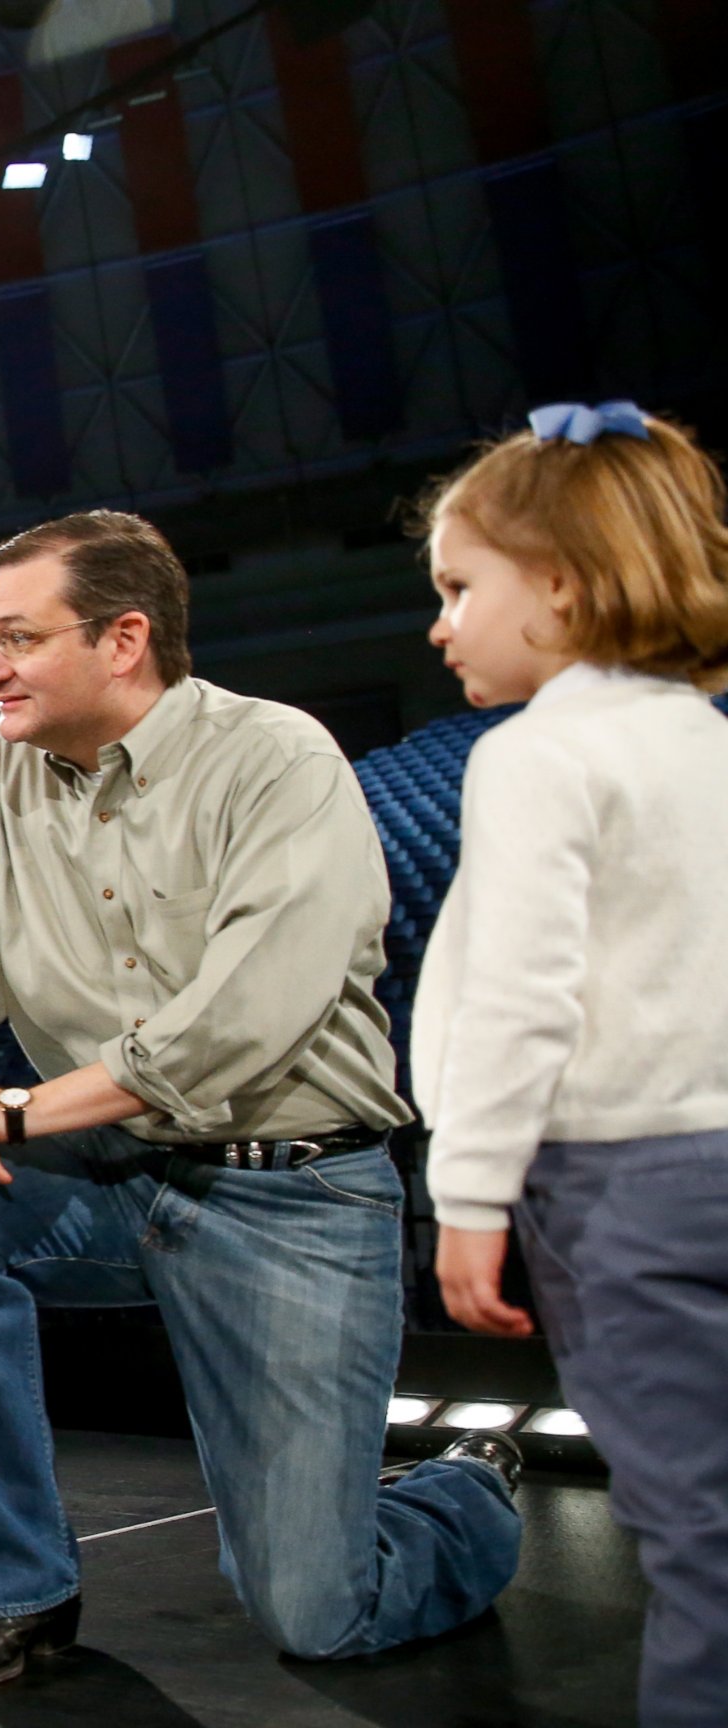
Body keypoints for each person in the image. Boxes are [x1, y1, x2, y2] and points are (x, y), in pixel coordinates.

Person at [0, 510, 523, 1686]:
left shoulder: (278, 758)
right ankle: (10, 1594)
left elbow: (239, 1025)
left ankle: (466, 1489)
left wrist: (1, 1109)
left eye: (15, 638)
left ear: (123, 640)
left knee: (321, 1614)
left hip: (293, 1191)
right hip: (114, 1179)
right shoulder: (3, 786)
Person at [410, 401, 728, 1728]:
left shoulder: (536, 756)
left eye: (458, 586)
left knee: (697, 1533)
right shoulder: (708, 742)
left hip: (619, 1195)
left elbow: (520, 999)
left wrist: (470, 1198)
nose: (441, 623)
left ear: (562, 583)